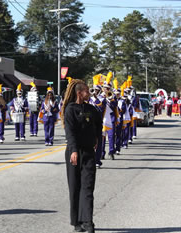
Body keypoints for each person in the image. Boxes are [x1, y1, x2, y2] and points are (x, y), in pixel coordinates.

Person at [61, 79, 101, 233]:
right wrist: (74, 151)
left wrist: (97, 138)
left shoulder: (91, 109)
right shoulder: (70, 109)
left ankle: (88, 221)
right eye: (87, 91)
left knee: (88, 187)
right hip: (74, 153)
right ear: (79, 93)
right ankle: (77, 221)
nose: (89, 93)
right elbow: (70, 132)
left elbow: (98, 124)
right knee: (75, 187)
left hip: (89, 152)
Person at [88, 74, 104, 167]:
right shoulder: (88, 99)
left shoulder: (102, 99)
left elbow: (101, 108)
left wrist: (95, 98)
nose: (95, 91)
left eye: (97, 90)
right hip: (89, 123)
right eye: (94, 89)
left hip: (98, 123)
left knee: (98, 142)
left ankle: (97, 160)